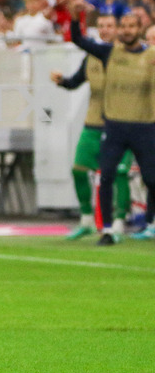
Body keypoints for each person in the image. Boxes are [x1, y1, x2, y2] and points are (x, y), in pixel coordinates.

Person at [68, 0, 155, 245]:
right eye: (123, 26)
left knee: (151, 178)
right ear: (119, 30)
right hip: (115, 126)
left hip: (145, 125)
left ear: (139, 29)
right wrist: (76, 18)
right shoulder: (109, 52)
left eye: (132, 26)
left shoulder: (151, 55)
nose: (127, 31)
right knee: (105, 176)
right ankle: (107, 229)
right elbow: (78, 40)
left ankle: (150, 222)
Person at [51, 13, 133, 240]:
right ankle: (86, 219)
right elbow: (75, 82)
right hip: (92, 125)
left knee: (119, 173)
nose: (106, 29)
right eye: (102, 26)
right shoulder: (90, 58)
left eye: (110, 25)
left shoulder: (128, 57)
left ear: (118, 30)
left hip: (121, 124)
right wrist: (62, 81)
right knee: (78, 170)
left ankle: (118, 223)